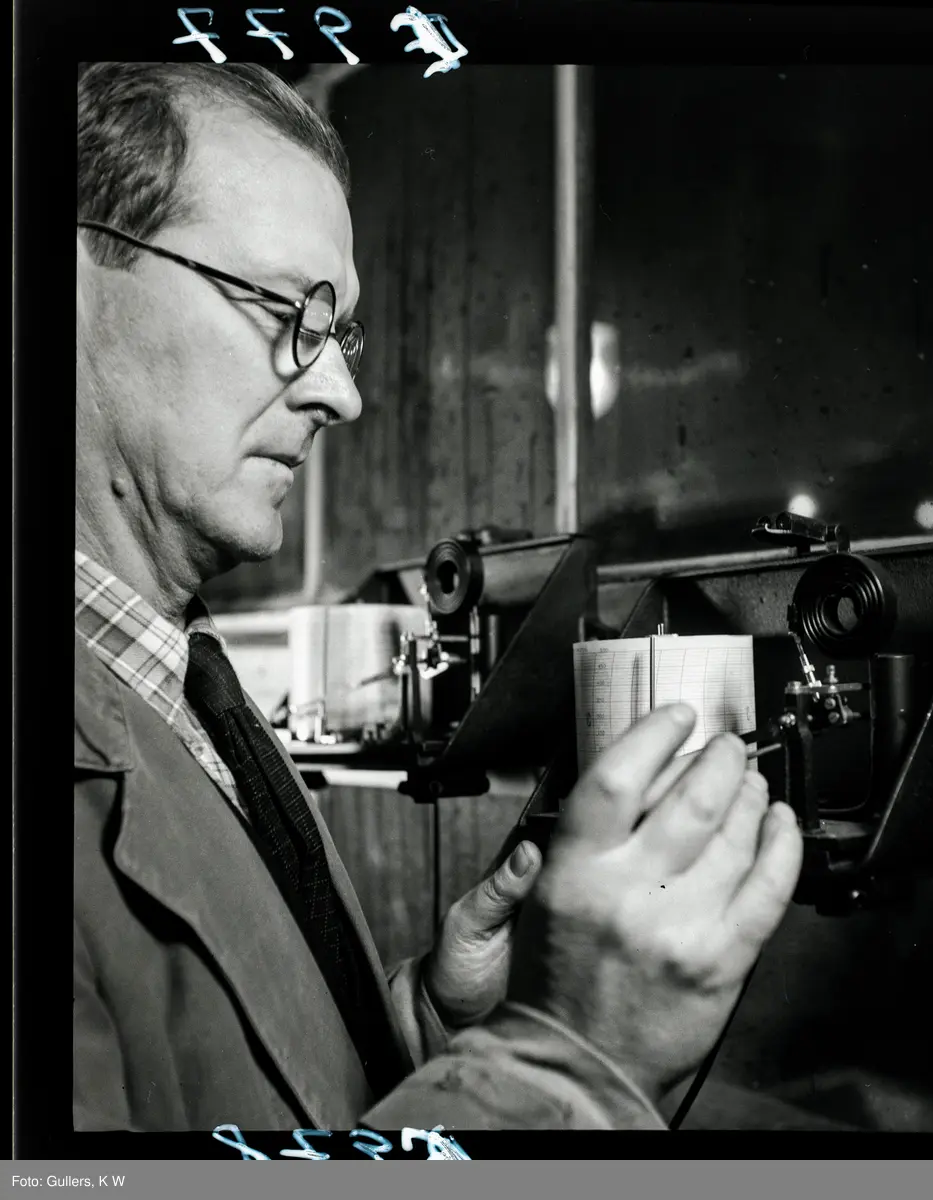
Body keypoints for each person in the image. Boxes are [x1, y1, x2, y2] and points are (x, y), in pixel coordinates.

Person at [74, 61, 804, 1133]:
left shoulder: (184, 680)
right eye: (284, 307)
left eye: (340, 331)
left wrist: (426, 1029)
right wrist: (564, 1063)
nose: (341, 393)